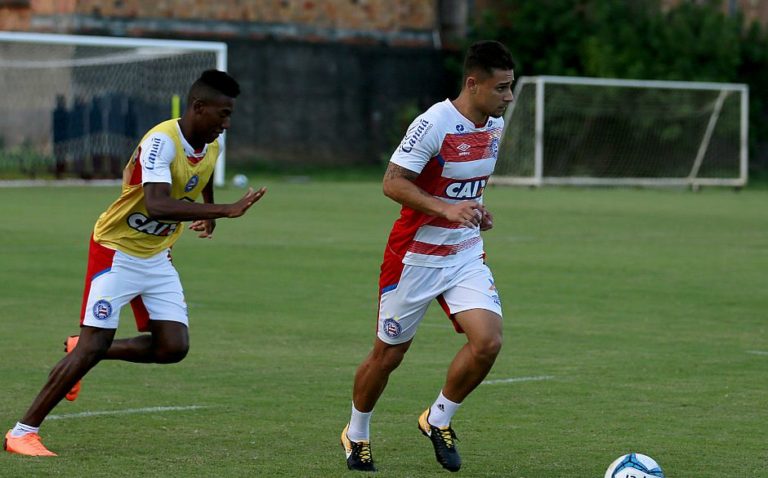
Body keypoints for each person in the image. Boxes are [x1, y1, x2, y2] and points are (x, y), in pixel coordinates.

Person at [4, 70, 267, 457]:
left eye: (230, 116)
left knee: (173, 347)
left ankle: (83, 348)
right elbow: (157, 203)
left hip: (157, 256)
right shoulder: (161, 141)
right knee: (95, 343)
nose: (226, 125)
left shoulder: (212, 146)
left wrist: (207, 213)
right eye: (222, 115)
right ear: (198, 107)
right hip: (116, 250)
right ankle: (21, 433)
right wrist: (225, 209)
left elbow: (201, 177)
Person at [340, 40, 514, 472]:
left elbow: (463, 186)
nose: (509, 97)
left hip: (464, 254)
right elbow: (393, 182)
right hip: (414, 258)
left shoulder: (492, 125)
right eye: (502, 88)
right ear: (473, 84)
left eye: (511, 88)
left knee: (488, 341)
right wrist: (446, 209)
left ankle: (437, 419)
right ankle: (356, 432)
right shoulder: (433, 122)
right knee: (387, 357)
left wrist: (475, 210)